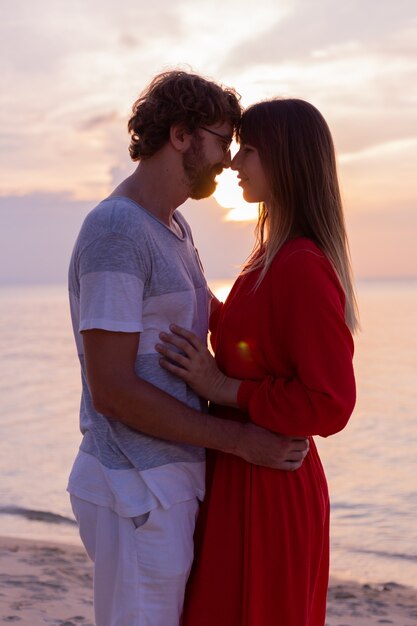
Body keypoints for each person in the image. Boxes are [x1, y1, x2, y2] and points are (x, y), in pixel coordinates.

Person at [67, 73, 309, 626]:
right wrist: (242, 441)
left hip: (166, 486)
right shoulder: (116, 230)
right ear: (181, 134)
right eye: (223, 140)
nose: (228, 159)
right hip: (134, 488)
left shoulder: (173, 227)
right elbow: (112, 391)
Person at [156, 98, 358, 626]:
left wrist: (221, 387)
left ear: (285, 162)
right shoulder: (268, 258)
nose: (234, 162)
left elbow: (330, 402)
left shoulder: (301, 266)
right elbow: (250, 341)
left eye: (249, 150)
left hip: (269, 486)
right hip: (239, 472)